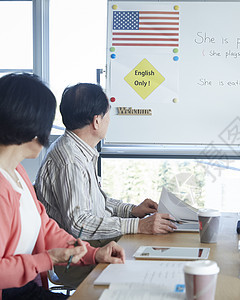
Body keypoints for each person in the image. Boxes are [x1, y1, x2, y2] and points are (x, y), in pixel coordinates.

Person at [34, 83, 177, 286]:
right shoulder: (70, 160)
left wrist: (132, 210)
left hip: (92, 246)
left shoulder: (79, 149)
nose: (110, 121)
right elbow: (79, 224)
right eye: (109, 115)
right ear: (97, 121)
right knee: (152, 273)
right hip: (77, 259)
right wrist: (138, 225)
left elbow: (97, 202)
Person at [0, 73, 125, 300]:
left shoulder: (17, 172)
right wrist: (48, 259)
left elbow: (45, 227)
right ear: (28, 123)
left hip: (27, 286)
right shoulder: (2, 187)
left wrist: (94, 254)